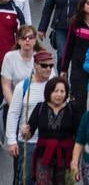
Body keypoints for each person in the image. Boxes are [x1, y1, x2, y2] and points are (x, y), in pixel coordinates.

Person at [6, 49, 56, 184]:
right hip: (29, 143)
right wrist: (11, 140)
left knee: (47, 180)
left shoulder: (55, 87)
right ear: (35, 66)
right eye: (44, 66)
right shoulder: (23, 86)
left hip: (50, 142)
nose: (48, 69)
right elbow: (13, 113)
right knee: (26, 179)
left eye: (51, 66)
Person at [22, 76, 81, 185]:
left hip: (66, 156)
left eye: (62, 91)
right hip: (44, 156)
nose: (59, 94)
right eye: (55, 91)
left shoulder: (72, 109)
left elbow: (79, 136)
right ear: (48, 92)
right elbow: (28, 134)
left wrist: (76, 160)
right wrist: (25, 131)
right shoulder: (40, 108)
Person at [61, 0, 89, 108]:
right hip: (78, 66)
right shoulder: (74, 22)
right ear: (82, 6)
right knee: (78, 102)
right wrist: (64, 69)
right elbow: (69, 46)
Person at [1, 24, 39, 110]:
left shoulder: (41, 58)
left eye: (31, 37)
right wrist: (15, 109)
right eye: (23, 38)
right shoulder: (9, 57)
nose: (27, 40)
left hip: (36, 105)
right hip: (13, 102)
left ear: (35, 40)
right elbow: (6, 86)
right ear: (18, 41)